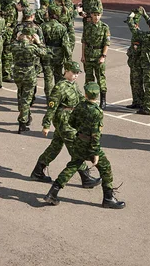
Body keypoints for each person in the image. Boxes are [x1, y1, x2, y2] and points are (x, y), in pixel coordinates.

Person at [43, 82, 125, 209]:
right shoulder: (97, 112)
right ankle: (108, 198)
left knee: (72, 166)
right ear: (97, 95)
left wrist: (81, 129)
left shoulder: (80, 106)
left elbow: (71, 122)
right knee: (105, 168)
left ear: (86, 94)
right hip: (90, 145)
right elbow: (96, 135)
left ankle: (53, 192)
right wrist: (95, 152)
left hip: (79, 141)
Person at [31, 60, 99, 190]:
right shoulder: (60, 87)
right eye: (74, 72)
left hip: (70, 118)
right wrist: (46, 125)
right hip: (63, 120)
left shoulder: (73, 84)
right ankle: (86, 178)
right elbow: (52, 107)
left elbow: (80, 98)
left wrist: (90, 104)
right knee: (75, 147)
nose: (76, 75)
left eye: (77, 73)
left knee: (55, 146)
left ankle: (38, 171)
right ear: (66, 71)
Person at [11, 27, 44, 133]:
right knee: (27, 98)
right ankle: (23, 122)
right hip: (29, 73)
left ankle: (25, 115)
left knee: (20, 94)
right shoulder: (32, 47)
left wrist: (18, 39)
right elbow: (44, 53)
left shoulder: (14, 45)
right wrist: (39, 42)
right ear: (31, 37)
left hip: (17, 72)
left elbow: (10, 46)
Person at [81, 7, 110, 108]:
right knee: (88, 78)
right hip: (88, 55)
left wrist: (103, 56)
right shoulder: (87, 26)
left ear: (101, 15)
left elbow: (107, 43)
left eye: (98, 15)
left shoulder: (104, 27)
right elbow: (84, 42)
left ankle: (103, 100)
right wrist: (83, 55)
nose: (96, 17)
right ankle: (89, 98)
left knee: (100, 78)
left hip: (98, 55)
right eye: (94, 15)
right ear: (91, 15)